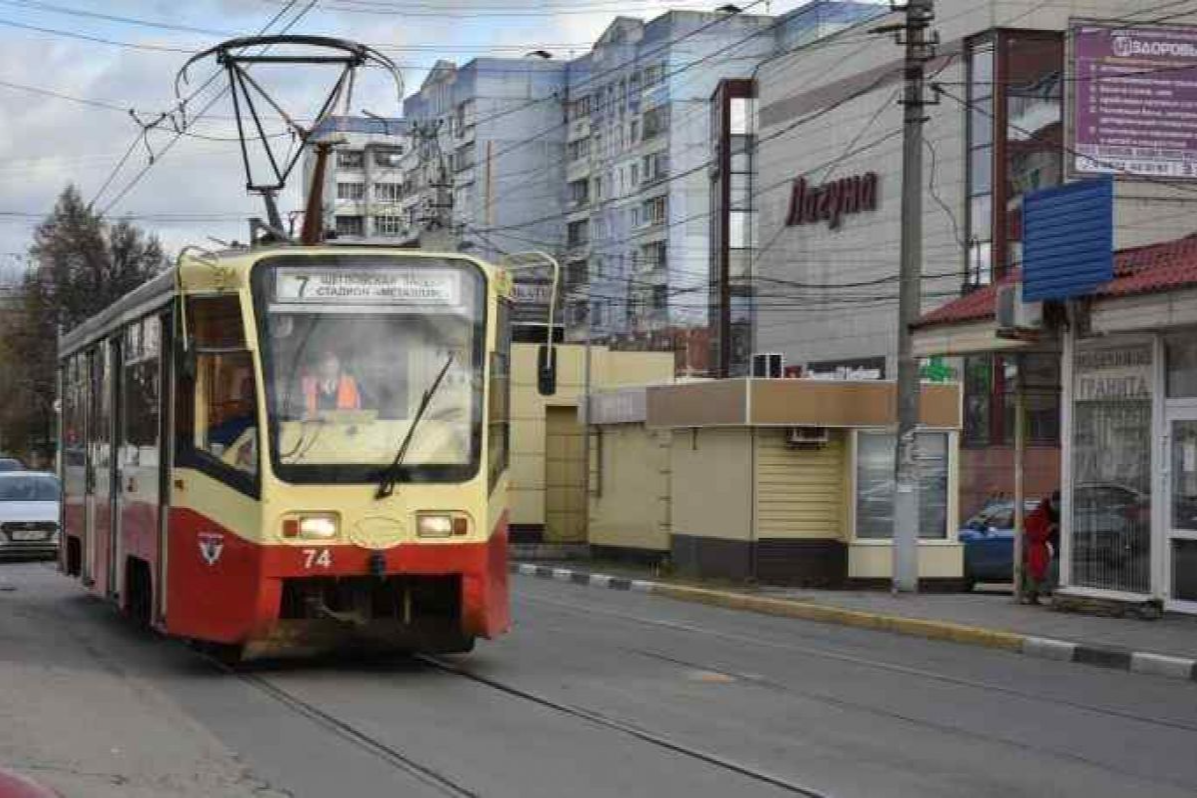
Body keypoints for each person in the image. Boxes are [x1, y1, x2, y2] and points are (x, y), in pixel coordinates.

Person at [1023, 490, 1060, 605]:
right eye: (1059, 504)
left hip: (1053, 545)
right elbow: (1032, 534)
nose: (1060, 507)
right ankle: (1032, 595)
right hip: (1040, 546)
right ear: (1053, 502)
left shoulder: (1059, 513)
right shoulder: (1038, 513)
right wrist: (1049, 529)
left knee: (1047, 570)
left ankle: (1037, 594)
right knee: (1037, 570)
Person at [302, 350, 362, 415]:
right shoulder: (307, 384)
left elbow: (360, 411)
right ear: (319, 366)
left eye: (333, 363)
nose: (329, 365)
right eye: (325, 362)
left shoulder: (351, 383)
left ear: (338, 365)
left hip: (344, 423)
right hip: (313, 423)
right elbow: (299, 411)